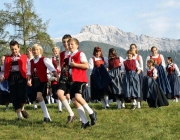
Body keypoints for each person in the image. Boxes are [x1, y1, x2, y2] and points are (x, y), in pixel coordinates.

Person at [68, 38, 97, 129]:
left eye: (72, 44)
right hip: (72, 80)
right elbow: (71, 68)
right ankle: (85, 121)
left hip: (80, 79)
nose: (70, 46)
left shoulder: (80, 53)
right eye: (69, 44)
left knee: (78, 97)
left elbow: (86, 65)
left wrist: (75, 65)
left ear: (77, 45)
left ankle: (91, 112)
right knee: (74, 101)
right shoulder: (70, 56)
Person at [27, 44, 58, 122]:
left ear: (40, 50)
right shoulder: (31, 61)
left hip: (42, 81)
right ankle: (46, 117)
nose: (35, 51)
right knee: (38, 97)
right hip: (35, 81)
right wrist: (29, 80)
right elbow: (29, 72)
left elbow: (52, 68)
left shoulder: (44, 59)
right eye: (33, 50)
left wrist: (56, 76)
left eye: (37, 50)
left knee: (39, 96)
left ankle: (46, 116)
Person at [0, 40, 29, 120]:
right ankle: (20, 117)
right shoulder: (7, 58)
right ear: (10, 49)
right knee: (14, 96)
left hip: (21, 76)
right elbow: (3, 69)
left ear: (19, 48)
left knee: (22, 95)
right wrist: (3, 76)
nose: (14, 51)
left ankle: (22, 108)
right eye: (12, 49)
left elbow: (28, 67)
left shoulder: (24, 57)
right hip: (11, 77)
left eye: (15, 49)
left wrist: (29, 77)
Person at [130, 44, 143, 108]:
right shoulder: (128, 56)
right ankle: (134, 102)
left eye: (133, 48)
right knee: (132, 88)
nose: (132, 49)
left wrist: (137, 74)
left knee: (138, 88)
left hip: (138, 73)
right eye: (131, 48)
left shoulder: (139, 56)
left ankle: (139, 103)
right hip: (130, 74)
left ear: (136, 48)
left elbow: (141, 67)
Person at [59, 34, 72, 104]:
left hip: (72, 74)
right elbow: (60, 65)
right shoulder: (62, 54)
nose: (65, 44)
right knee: (62, 91)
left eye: (67, 42)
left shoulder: (73, 53)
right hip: (64, 74)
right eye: (64, 42)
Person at [50, 46, 62, 112]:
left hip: (62, 76)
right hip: (54, 77)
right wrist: (52, 77)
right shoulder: (50, 59)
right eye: (54, 51)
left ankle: (65, 105)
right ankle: (59, 108)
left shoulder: (62, 58)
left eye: (56, 51)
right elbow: (49, 70)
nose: (55, 52)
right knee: (56, 92)